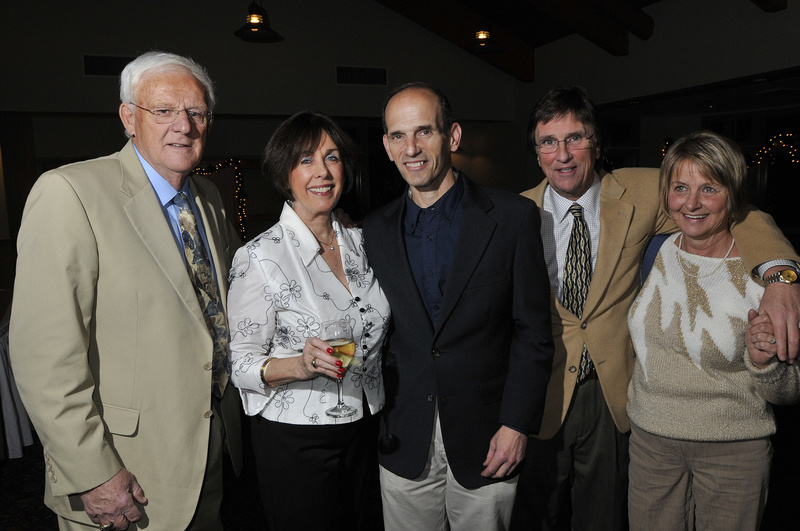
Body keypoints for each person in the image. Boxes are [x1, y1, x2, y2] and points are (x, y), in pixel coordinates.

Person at [511, 87, 800, 530]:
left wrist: (781, 276)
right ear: (536, 153)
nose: (563, 154)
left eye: (576, 138)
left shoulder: (645, 190)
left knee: (605, 517)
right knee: (535, 515)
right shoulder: (513, 213)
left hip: (616, 395)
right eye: (548, 141)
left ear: (597, 144)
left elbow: (738, 210)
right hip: (541, 388)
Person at [9, 51, 242, 530]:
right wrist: (93, 473)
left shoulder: (211, 200)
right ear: (128, 117)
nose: (184, 125)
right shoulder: (69, 193)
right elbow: (44, 359)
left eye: (196, 113)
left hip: (210, 456)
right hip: (126, 472)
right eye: (164, 111)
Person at [362, 82, 555, 531]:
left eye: (424, 132)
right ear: (387, 147)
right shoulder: (374, 230)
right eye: (397, 136)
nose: (411, 148)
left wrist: (516, 425)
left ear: (452, 137)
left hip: (489, 437)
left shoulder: (511, 218)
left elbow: (534, 333)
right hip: (403, 437)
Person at [626, 130, 800, 529]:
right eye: (680, 187)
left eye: (709, 189)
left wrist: (765, 362)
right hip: (650, 442)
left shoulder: (768, 276)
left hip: (733, 451)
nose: (691, 203)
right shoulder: (655, 249)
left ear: (732, 193)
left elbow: (789, 390)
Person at [226, 111, 390, 531]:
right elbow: (239, 364)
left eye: (332, 157)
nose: (322, 172)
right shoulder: (260, 257)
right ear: (285, 173)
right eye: (305, 160)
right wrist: (297, 365)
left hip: (365, 426)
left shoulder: (363, 242)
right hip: (296, 438)